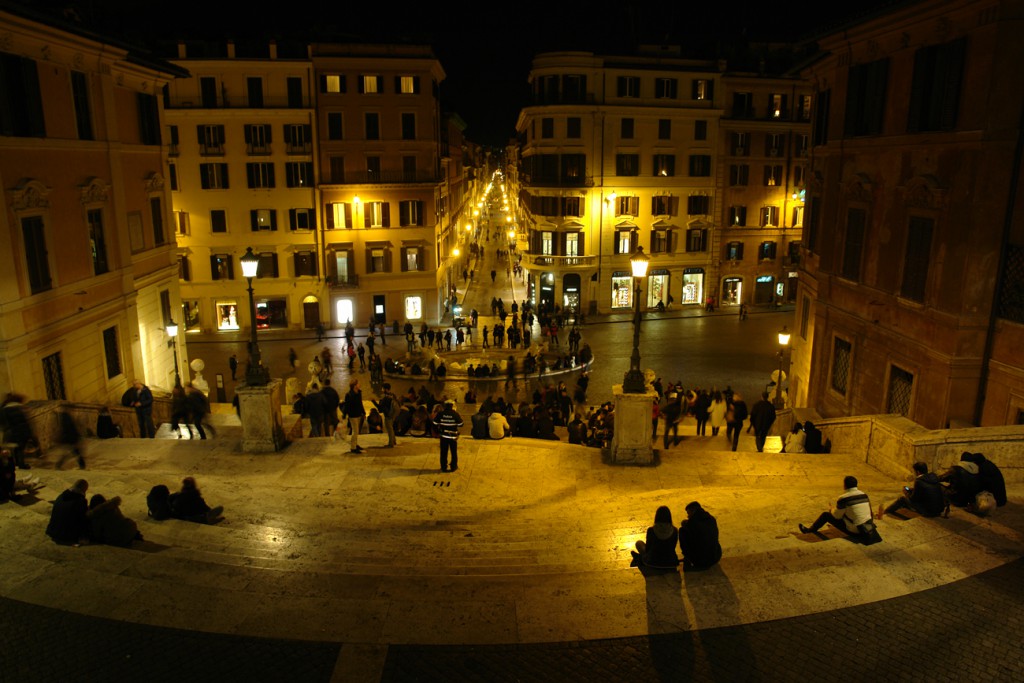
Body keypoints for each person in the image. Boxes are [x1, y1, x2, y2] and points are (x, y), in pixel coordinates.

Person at [799, 475, 880, 543]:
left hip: (856, 530)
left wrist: (831, 509)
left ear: (845, 485)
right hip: (868, 527)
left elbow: (837, 516)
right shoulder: (864, 495)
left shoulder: (844, 498)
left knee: (825, 515)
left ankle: (809, 531)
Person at [878, 462, 944, 519]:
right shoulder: (933, 477)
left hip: (928, 511)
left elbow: (913, 499)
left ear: (917, 472)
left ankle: (885, 512)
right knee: (909, 494)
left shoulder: (919, 481)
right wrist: (912, 490)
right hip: (939, 509)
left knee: (902, 499)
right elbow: (925, 490)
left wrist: (906, 493)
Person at [630, 505, 679, 570]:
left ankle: (639, 557)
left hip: (652, 562)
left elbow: (648, 548)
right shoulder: (674, 530)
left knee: (639, 543)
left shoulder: (651, 530)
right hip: (671, 563)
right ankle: (638, 557)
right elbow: (673, 547)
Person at [678, 502, 722, 571]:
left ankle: (687, 558)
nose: (688, 516)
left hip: (700, 561)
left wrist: (685, 525)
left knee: (682, 531)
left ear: (693, 511)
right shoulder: (711, 519)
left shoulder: (692, 523)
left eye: (688, 513)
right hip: (715, 557)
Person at [46, 479, 90, 544]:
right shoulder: (80, 501)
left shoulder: (61, 496)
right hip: (66, 535)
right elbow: (82, 520)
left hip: (52, 531)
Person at [433, 400, 463, 472]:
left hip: (443, 436)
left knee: (443, 452)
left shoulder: (440, 414)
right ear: (452, 406)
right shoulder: (455, 414)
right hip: (452, 437)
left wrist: (438, 432)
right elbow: (461, 424)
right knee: (453, 452)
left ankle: (443, 467)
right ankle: (453, 466)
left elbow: (434, 423)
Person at [343, 380, 366, 453]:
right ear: (354, 386)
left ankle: (355, 444)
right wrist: (345, 414)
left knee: (356, 431)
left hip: (358, 414)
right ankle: (353, 447)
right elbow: (347, 405)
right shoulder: (349, 394)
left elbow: (360, 403)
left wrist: (363, 412)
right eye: (358, 384)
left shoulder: (359, 392)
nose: (360, 384)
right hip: (352, 415)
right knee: (355, 431)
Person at [375, 383, 399, 447]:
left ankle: (391, 443)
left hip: (388, 415)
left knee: (389, 429)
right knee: (391, 428)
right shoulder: (392, 395)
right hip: (393, 414)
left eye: (382, 388)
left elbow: (380, 407)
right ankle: (393, 441)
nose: (382, 389)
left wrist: (373, 401)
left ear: (386, 389)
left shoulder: (386, 397)